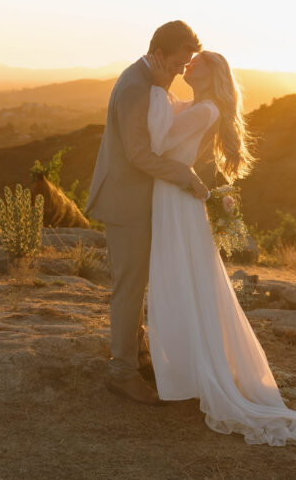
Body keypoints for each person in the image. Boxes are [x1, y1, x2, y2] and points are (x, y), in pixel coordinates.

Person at [144, 50, 296, 445]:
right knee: (183, 281)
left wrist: (156, 88)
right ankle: (186, 368)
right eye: (187, 60)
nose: (188, 64)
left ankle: (196, 371)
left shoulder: (205, 110)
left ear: (214, 73)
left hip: (175, 199)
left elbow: (161, 141)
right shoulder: (196, 104)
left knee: (182, 281)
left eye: (197, 61)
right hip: (174, 196)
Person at [86, 21, 211, 405]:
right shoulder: (135, 87)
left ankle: (138, 355)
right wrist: (184, 176)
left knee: (137, 283)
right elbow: (141, 154)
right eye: (178, 62)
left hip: (138, 200)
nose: (181, 69)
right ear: (159, 54)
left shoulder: (149, 81)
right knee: (128, 289)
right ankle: (121, 372)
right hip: (125, 202)